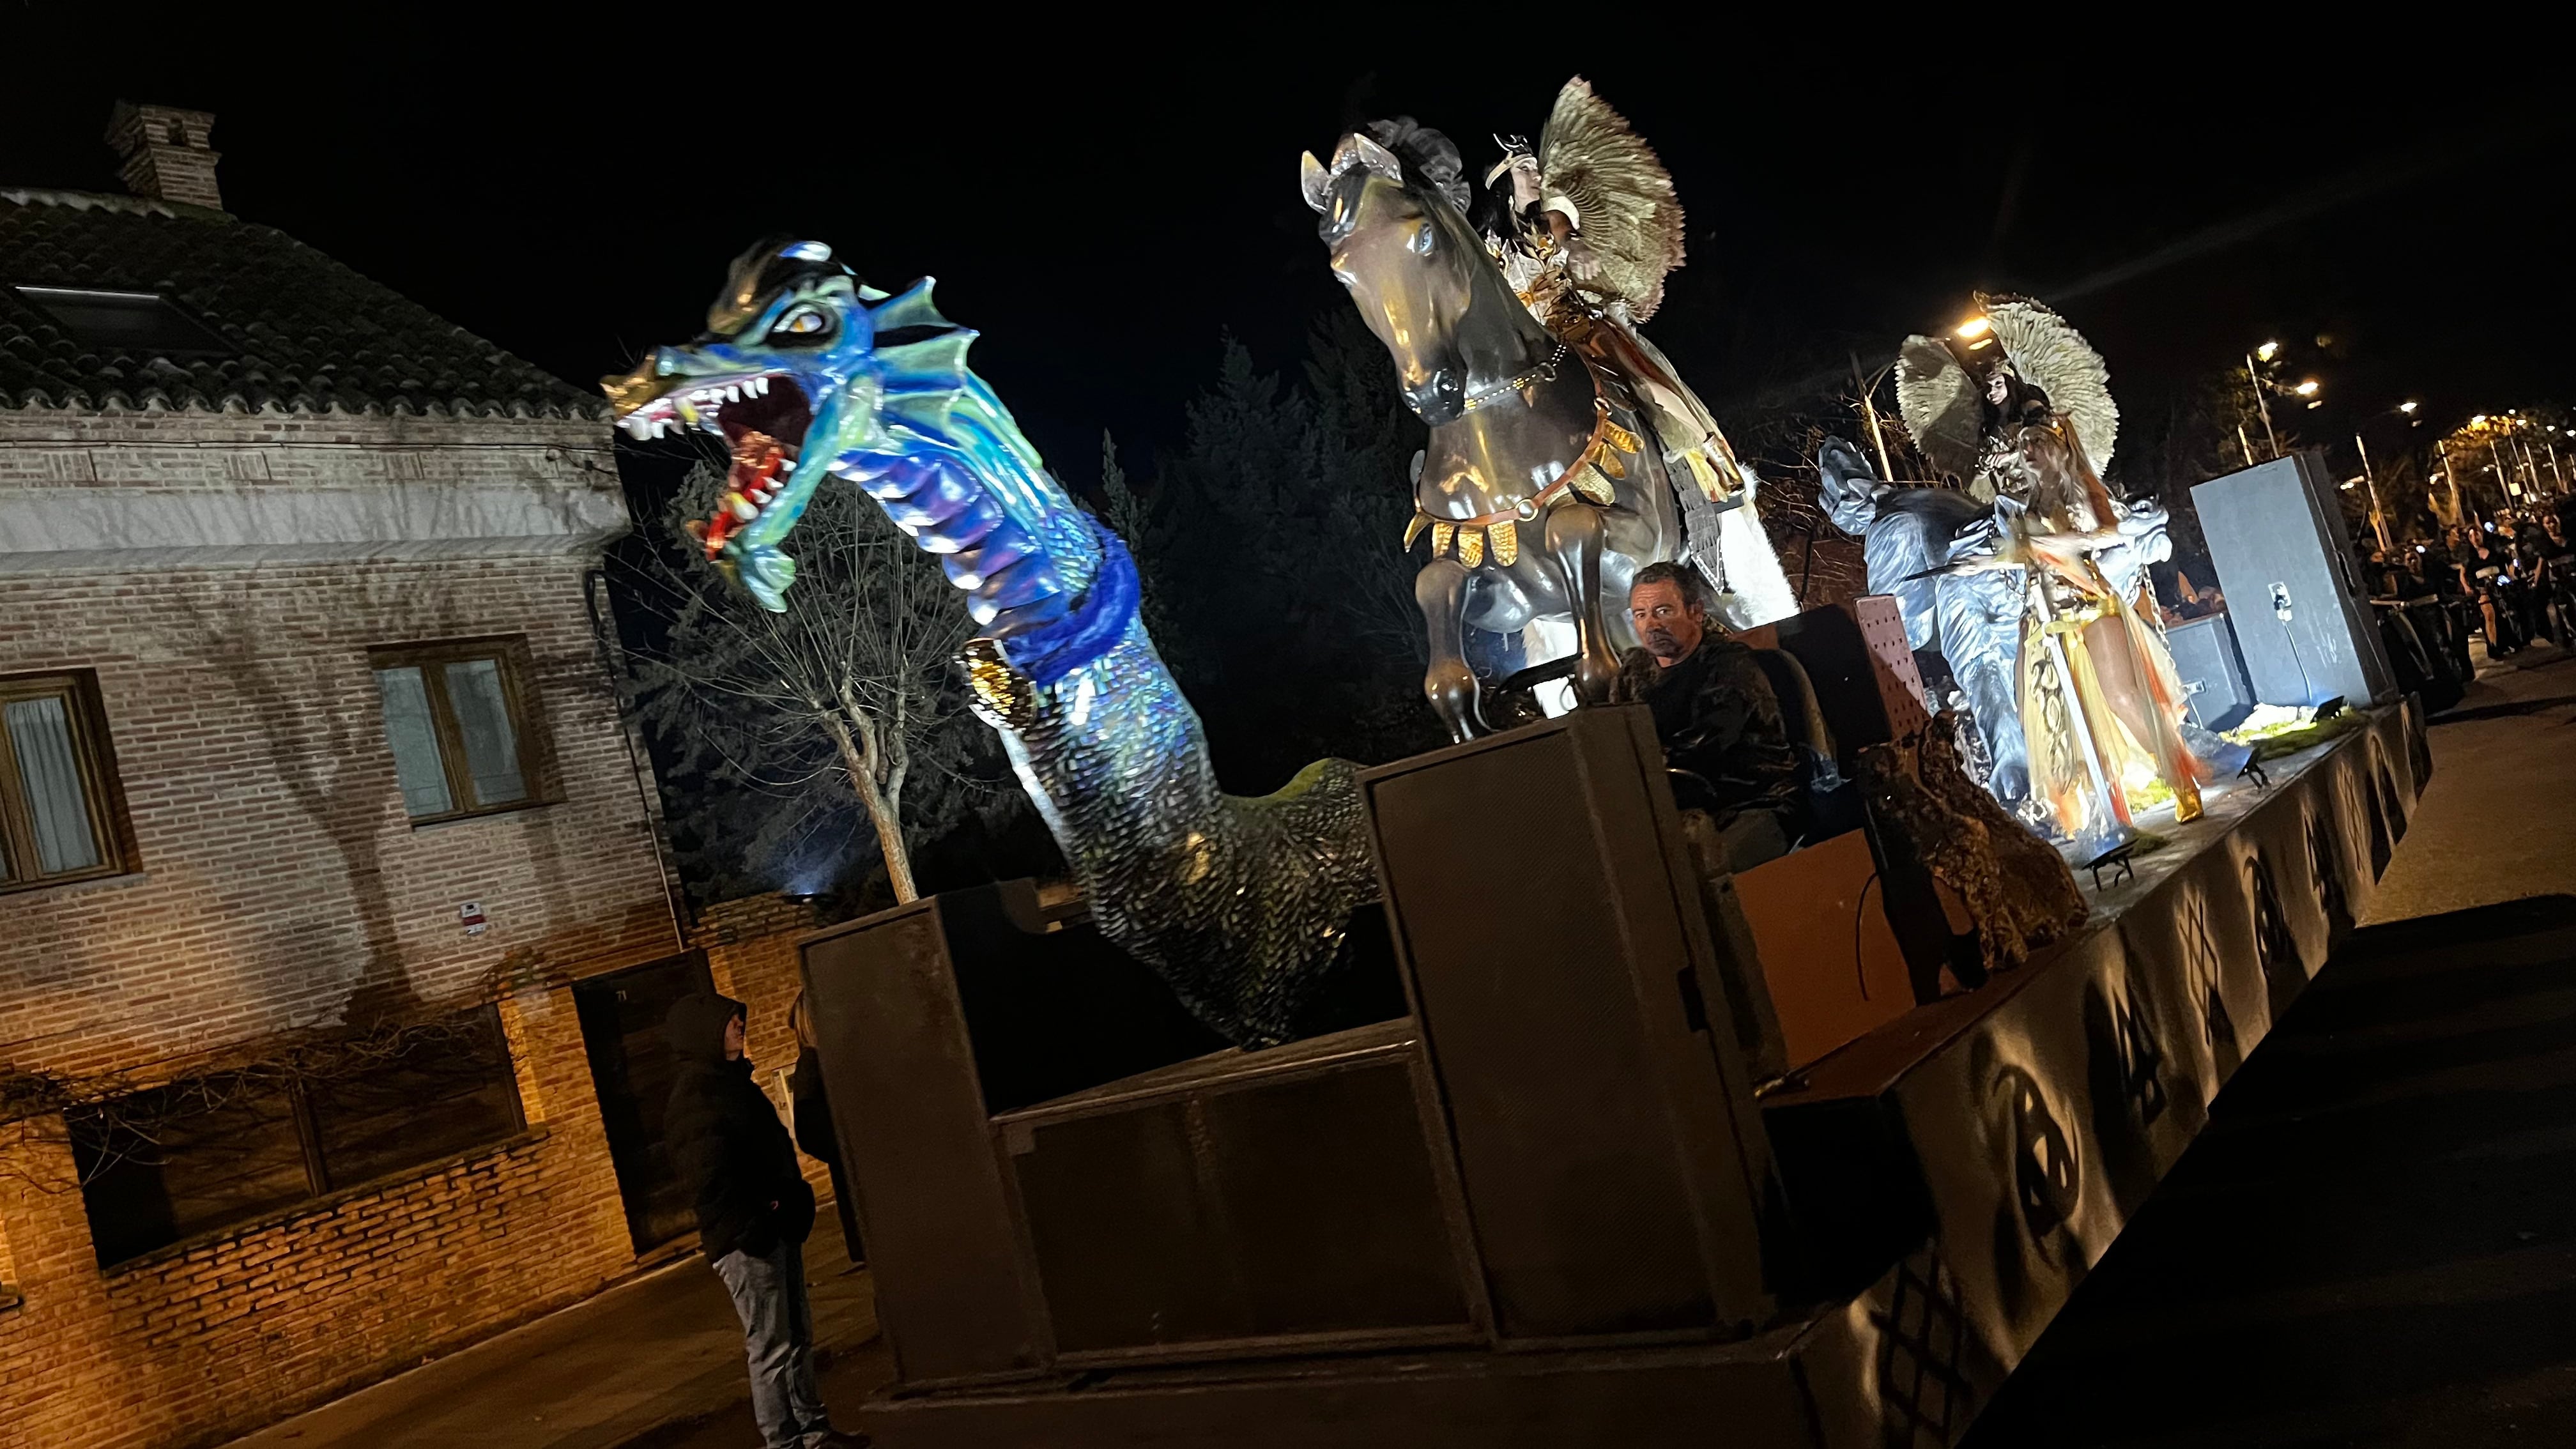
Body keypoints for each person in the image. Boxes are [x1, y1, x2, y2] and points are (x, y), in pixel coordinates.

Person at [664, 993, 853, 1449]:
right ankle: (783, 1441)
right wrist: (753, 1223)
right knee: (770, 1345)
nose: (738, 1026)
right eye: (730, 1022)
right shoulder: (697, 1095)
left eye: (737, 1020)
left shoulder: (733, 1084)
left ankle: (813, 1429)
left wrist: (789, 1202)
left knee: (798, 1336)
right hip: (747, 1240)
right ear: (704, 1032)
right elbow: (708, 1177)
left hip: (774, 1227)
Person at [1618, 562, 1801, 869]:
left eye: (1664, 611)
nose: (1652, 625)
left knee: (1694, 876)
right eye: (1641, 615)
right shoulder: (1632, 675)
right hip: (1672, 809)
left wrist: (1644, 764)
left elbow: (1708, 743)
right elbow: (1610, 733)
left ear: (1696, 612)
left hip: (1754, 805)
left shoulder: (1728, 666)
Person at [786, 992, 864, 1268]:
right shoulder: (811, 1063)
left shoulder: (829, 1059)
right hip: (856, 1183)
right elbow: (809, 1132)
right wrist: (848, 1149)